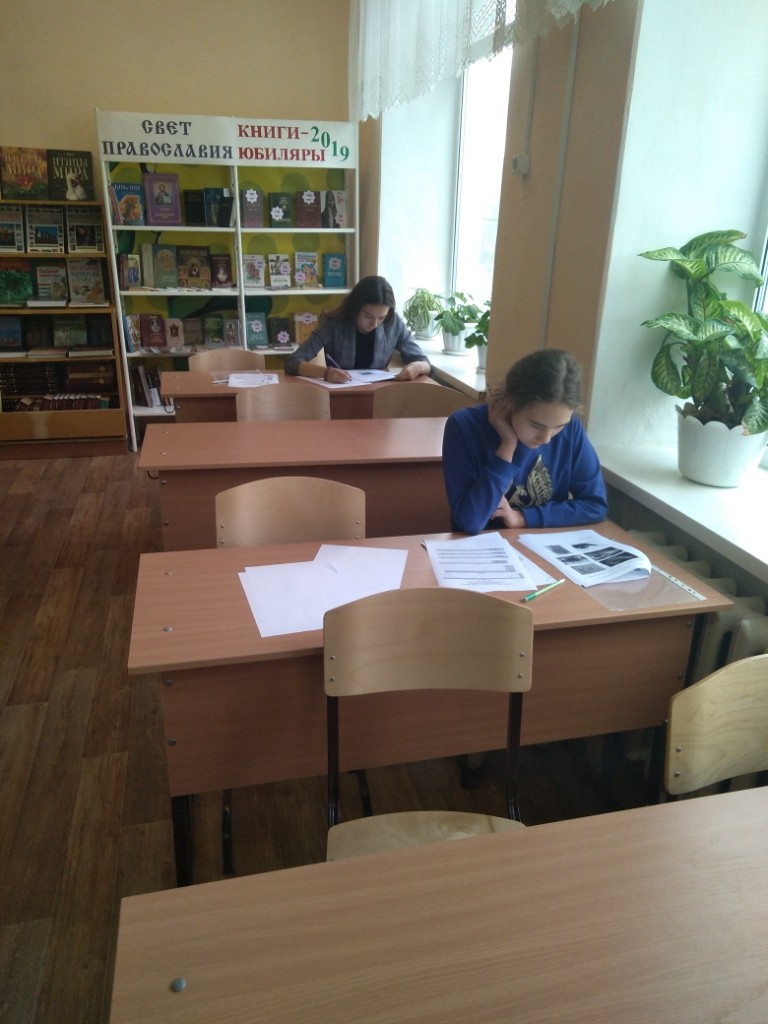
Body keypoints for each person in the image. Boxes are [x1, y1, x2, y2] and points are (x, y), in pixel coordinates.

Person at [442, 348, 607, 533]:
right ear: (509, 403)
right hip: (482, 545)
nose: (546, 438)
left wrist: (522, 518)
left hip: (538, 544)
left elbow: (595, 505)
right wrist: (507, 446)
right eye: (536, 425)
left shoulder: (572, 427)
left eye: (559, 427)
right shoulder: (464, 426)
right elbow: (470, 522)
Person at [284, 275, 431, 382]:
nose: (374, 323)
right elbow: (292, 362)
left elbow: (423, 362)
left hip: (379, 394)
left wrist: (417, 366)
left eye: (381, 318)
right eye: (368, 316)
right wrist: (326, 373)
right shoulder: (333, 323)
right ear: (355, 308)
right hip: (341, 394)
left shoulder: (393, 323)